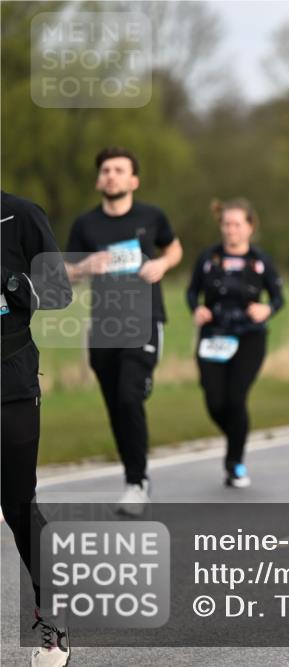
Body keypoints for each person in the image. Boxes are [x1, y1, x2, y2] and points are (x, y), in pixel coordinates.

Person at [64, 147, 183, 515]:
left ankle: (137, 482)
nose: (111, 175)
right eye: (105, 170)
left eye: (118, 170)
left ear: (133, 180)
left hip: (143, 319)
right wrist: (86, 266)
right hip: (104, 326)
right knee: (117, 405)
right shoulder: (86, 225)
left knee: (130, 395)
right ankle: (134, 476)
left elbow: (174, 249)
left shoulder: (152, 216)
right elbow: (63, 271)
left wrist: (162, 264)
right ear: (99, 179)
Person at [2, 192, 73, 667]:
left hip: (8, 383)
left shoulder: (20, 215)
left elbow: (60, 291)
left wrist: (14, 286)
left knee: (17, 506)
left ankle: (54, 618)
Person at [187, 199, 284, 488]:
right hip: (214, 334)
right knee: (214, 399)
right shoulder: (208, 258)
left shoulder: (261, 260)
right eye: (226, 224)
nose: (231, 230)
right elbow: (192, 291)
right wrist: (197, 309)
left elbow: (278, 297)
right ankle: (237, 435)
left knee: (236, 396)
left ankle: (235, 461)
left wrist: (267, 309)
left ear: (250, 227)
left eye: (237, 224)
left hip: (249, 336)